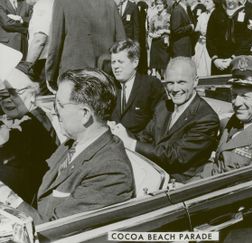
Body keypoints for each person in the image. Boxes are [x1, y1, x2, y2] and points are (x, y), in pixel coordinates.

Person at [0, 68, 135, 224]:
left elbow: (52, 230)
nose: (54, 112)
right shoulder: (76, 142)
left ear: (85, 114)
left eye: (60, 105)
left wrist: (6, 195)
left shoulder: (111, 171)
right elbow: (40, 178)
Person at [112, 57, 220, 183]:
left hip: (181, 184)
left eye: (181, 82)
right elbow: (145, 138)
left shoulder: (206, 118)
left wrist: (130, 143)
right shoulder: (164, 106)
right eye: (170, 83)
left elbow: (175, 156)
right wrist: (120, 132)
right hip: (152, 172)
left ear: (195, 81)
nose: (175, 89)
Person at [0, 67, 57, 203]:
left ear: (32, 93)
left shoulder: (32, 124)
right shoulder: (33, 116)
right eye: (2, 95)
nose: (7, 100)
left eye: (13, 93)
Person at [45, 0, 126, 91]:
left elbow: (56, 42)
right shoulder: (109, 3)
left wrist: (50, 74)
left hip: (74, 76)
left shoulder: (63, 2)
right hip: (104, 75)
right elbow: (122, 42)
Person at [110, 39, 165, 134]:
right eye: (113, 62)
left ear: (135, 63)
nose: (115, 66)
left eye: (120, 61)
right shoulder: (109, 86)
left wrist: (133, 141)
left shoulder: (151, 85)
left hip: (139, 144)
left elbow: (160, 121)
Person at [206, 0, 252, 75]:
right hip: (218, 62)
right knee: (218, 85)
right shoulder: (216, 13)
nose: (230, 1)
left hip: (239, 61)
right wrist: (215, 59)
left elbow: (248, 39)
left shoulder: (248, 13)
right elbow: (210, 37)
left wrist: (233, 58)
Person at [26, 0, 54, 95]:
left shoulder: (43, 5)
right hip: (49, 60)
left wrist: (26, 66)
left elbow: (40, 39)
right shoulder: (50, 4)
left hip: (42, 62)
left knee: (40, 99)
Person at [149, 0, 171, 79]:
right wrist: (153, 35)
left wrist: (164, 31)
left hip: (165, 43)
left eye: (160, 4)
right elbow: (150, 32)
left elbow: (173, 31)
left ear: (164, 5)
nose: (158, 6)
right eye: (157, 4)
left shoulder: (169, 17)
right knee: (154, 68)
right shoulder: (153, 17)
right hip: (155, 44)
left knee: (164, 67)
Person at [193, 0, 215, 76]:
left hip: (212, 46)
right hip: (201, 44)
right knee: (199, 67)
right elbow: (196, 29)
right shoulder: (202, 15)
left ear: (214, 2)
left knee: (209, 67)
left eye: (208, 1)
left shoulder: (217, 15)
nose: (205, 4)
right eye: (205, 2)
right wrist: (201, 33)